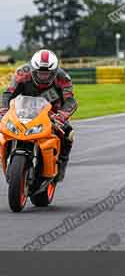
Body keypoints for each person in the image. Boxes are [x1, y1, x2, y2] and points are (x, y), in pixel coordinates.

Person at [0, 50, 77, 182]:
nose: (43, 77)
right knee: (4, 127)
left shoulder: (63, 77)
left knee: (68, 132)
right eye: (40, 73)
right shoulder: (22, 73)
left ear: (54, 72)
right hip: (24, 109)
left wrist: (61, 116)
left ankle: (62, 164)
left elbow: (70, 100)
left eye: (47, 74)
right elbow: (8, 93)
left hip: (53, 112)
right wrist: (3, 110)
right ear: (33, 70)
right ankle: (7, 158)